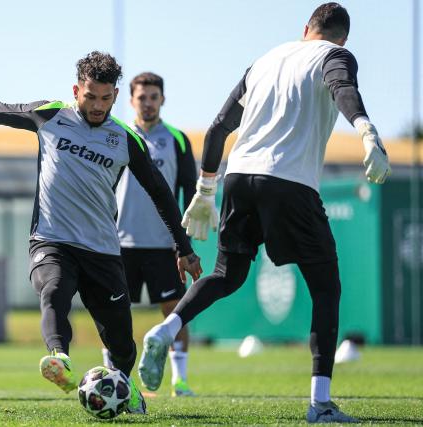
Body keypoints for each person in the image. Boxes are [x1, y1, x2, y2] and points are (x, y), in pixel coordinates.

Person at [0, 51, 202, 415]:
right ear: (76, 90)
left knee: (121, 342)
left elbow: (161, 193)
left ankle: (124, 387)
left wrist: (183, 248)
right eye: (90, 96)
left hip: (103, 249)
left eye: (106, 98)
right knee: (54, 288)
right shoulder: (50, 115)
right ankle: (58, 357)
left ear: (116, 96)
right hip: (52, 238)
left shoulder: (124, 139)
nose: (97, 105)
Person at [138, 3, 390, 423]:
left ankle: (164, 330)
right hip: (289, 182)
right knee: (325, 288)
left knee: (225, 275)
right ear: (342, 38)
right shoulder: (336, 55)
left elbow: (219, 127)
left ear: (305, 28)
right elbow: (343, 87)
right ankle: (320, 403)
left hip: (239, 177)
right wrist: (366, 130)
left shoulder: (266, 59)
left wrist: (205, 190)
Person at [103, 72, 197, 397]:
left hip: (163, 246)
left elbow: (188, 191)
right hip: (120, 243)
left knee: (175, 313)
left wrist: (183, 243)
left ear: (162, 99)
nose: (147, 102)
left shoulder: (177, 140)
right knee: (113, 313)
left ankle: (180, 381)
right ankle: (115, 378)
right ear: (131, 100)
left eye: (153, 96)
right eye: (141, 97)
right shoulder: (115, 135)